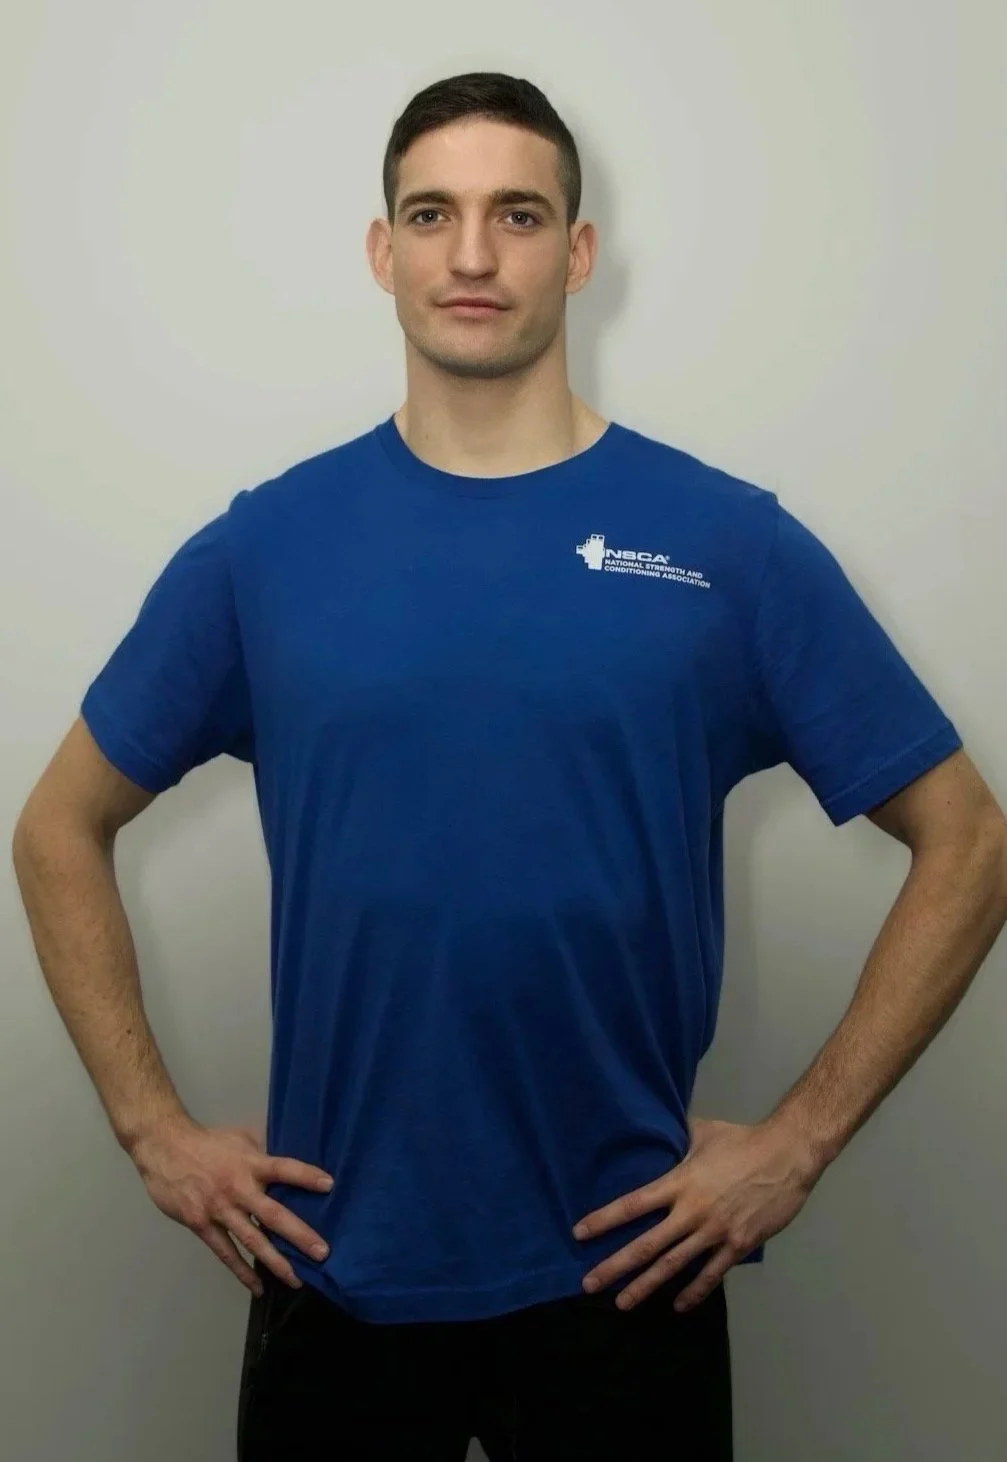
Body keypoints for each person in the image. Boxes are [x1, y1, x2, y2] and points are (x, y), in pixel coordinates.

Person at [12, 70, 1007, 1462]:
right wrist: (151, 1129)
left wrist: (796, 1141)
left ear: (577, 253)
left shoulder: (726, 546)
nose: (472, 254)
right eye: (433, 214)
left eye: (517, 215)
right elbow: (56, 825)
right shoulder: (266, 548)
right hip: (335, 1273)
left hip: (627, 1276)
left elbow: (970, 839)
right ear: (383, 251)